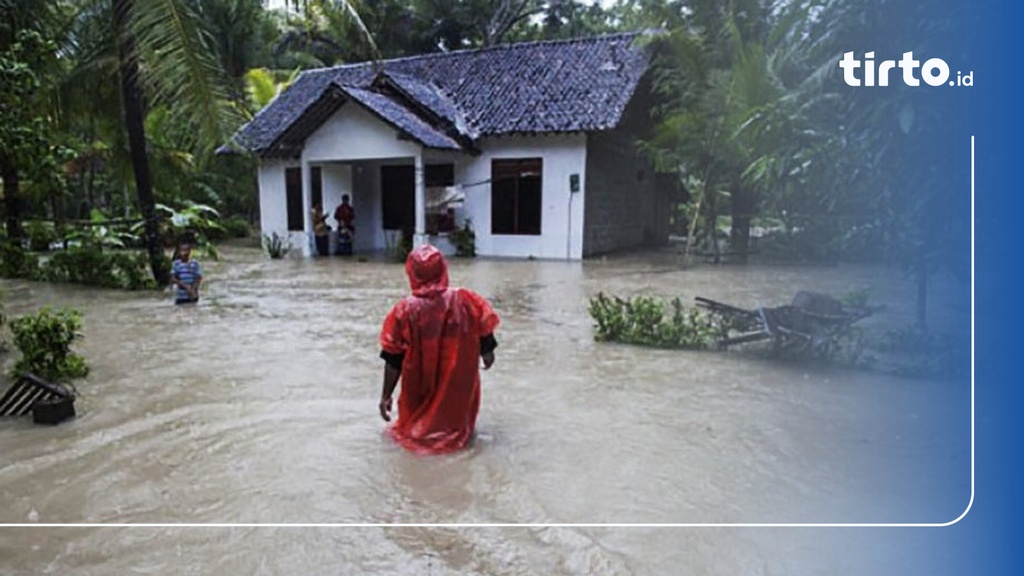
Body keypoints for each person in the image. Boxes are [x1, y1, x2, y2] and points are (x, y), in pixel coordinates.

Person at [378, 244, 500, 455]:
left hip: (419, 380)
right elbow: (485, 334)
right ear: (443, 268)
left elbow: (393, 358)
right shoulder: (466, 299)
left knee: (413, 429)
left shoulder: (403, 311)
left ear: (411, 272)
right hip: (458, 382)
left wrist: (385, 396)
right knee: (456, 424)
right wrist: (487, 355)